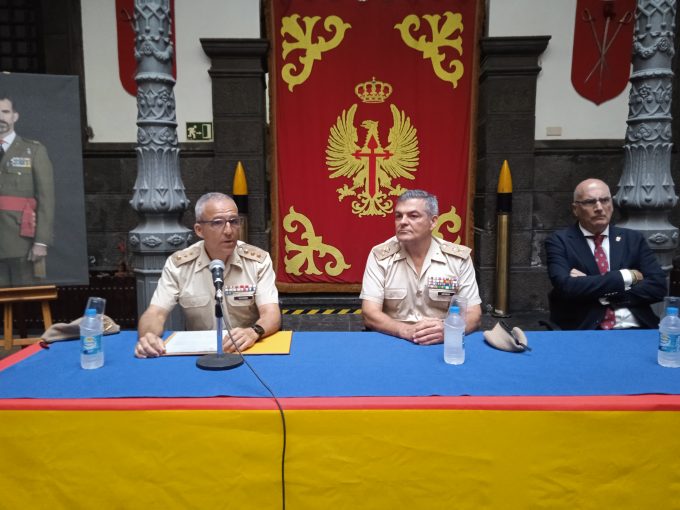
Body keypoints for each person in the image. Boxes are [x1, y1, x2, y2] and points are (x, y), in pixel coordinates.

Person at [134, 192, 281, 357]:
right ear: (199, 230)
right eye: (217, 223)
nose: (228, 230)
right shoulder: (179, 265)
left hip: (247, 350)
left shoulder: (257, 261)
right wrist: (149, 337)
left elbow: (271, 313)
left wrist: (254, 331)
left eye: (234, 222)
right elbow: (156, 313)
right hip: (198, 354)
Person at [361, 189, 482, 344]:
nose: (403, 221)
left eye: (413, 215)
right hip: (393, 340)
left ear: (433, 221)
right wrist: (404, 330)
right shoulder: (380, 256)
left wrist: (450, 330)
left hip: (440, 340)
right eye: (398, 216)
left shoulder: (457, 259)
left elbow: (474, 313)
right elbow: (370, 313)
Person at [545, 178, 666, 330]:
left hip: (638, 326)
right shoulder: (560, 241)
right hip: (589, 329)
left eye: (604, 200)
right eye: (590, 202)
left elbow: (658, 287)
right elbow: (566, 287)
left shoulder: (633, 239)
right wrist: (626, 277)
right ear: (575, 209)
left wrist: (598, 288)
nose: (599, 207)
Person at [0, 94, 54, 287]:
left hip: (22, 242)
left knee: (25, 303)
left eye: (5, 112)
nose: (1, 117)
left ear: (15, 116)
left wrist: (42, 241)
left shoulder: (34, 150)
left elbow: (46, 199)